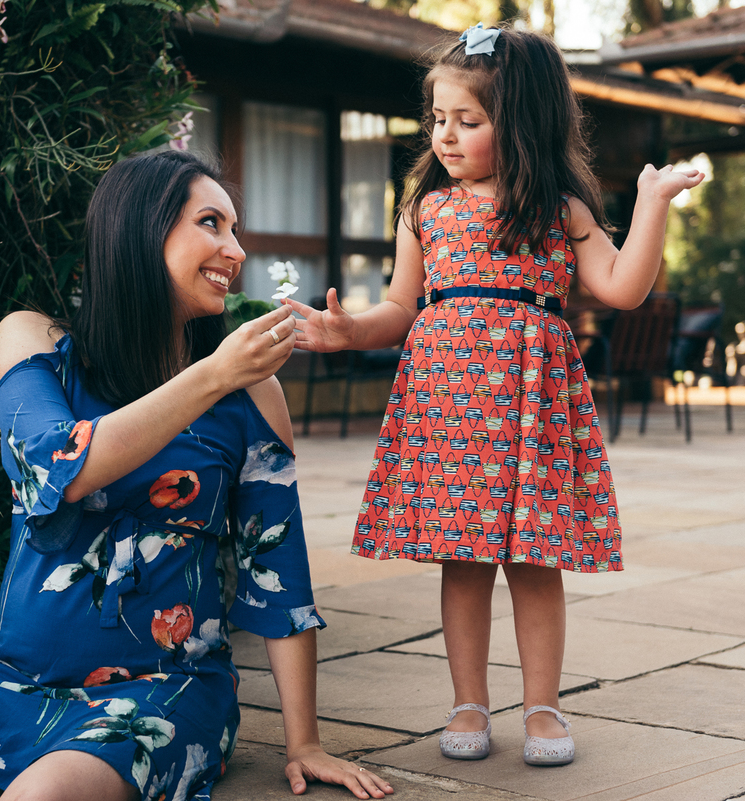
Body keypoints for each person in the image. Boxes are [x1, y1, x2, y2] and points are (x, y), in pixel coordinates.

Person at [0, 151, 394, 801]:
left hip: (164, 684)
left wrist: (305, 741)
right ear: (140, 228)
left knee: (41, 797)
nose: (234, 250)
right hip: (16, 677)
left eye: (236, 229)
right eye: (211, 223)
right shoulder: (35, 344)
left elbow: (276, 570)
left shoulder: (252, 394)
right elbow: (59, 467)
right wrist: (212, 376)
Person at [285, 25, 702, 766]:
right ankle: (468, 701)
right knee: (464, 558)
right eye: (438, 119)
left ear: (523, 121)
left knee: (535, 558)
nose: (446, 135)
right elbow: (401, 308)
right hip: (448, 401)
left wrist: (651, 202)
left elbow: (623, 287)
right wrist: (348, 330)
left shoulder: (557, 207)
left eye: (467, 121)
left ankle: (543, 705)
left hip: (531, 399)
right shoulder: (425, 208)